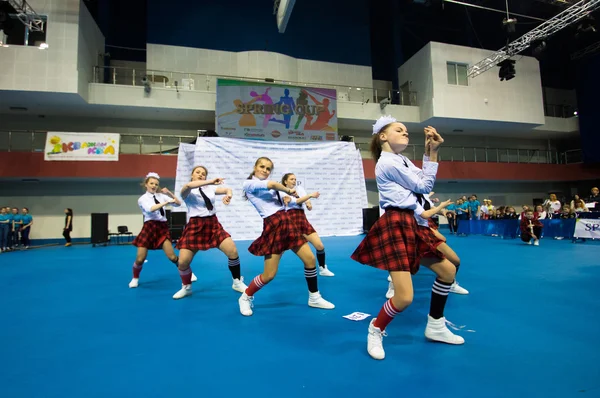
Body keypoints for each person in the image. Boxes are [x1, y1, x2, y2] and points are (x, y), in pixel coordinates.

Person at [351, 115, 464, 361]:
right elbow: (424, 186)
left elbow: (421, 182)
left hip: (411, 223)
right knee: (404, 297)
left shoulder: (401, 160)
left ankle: (435, 325)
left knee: (447, 272)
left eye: (406, 131)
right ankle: (375, 329)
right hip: (395, 224)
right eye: (399, 130)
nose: (406, 133)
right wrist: (433, 154)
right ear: (382, 136)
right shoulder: (388, 163)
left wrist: (430, 152)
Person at [238, 157, 335, 316]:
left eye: (268, 168)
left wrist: (289, 198)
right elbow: (271, 184)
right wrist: (287, 190)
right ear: (255, 167)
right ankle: (245, 296)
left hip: (287, 222)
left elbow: (281, 197)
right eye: (262, 166)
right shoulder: (248, 184)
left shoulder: (273, 186)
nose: (265, 170)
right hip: (274, 225)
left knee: (310, 259)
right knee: (269, 275)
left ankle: (314, 297)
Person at [172, 166, 247, 299]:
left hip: (213, 224)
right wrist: (210, 181)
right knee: (183, 262)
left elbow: (227, 189)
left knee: (233, 251)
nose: (201, 175)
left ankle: (237, 282)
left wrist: (228, 196)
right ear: (192, 175)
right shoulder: (187, 190)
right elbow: (189, 185)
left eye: (203, 173)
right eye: (198, 172)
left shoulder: (210, 188)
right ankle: (187, 287)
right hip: (195, 227)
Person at [129, 172, 197, 288]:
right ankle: (135, 278)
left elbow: (178, 203)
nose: (154, 186)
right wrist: (166, 202)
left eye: (156, 184)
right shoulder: (142, 199)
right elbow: (151, 209)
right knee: (140, 259)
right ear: (146, 184)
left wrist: (169, 193)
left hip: (162, 227)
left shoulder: (161, 196)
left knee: (172, 256)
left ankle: (188, 273)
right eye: (151, 183)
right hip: (149, 228)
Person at [281, 172, 334, 277]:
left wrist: (309, 203)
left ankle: (322, 268)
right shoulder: (282, 191)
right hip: (290, 222)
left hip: (302, 220)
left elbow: (305, 200)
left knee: (320, 246)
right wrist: (309, 195)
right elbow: (296, 201)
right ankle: (268, 272)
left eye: (295, 179)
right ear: (285, 181)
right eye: (291, 179)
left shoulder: (299, 189)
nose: (294, 181)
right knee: (279, 251)